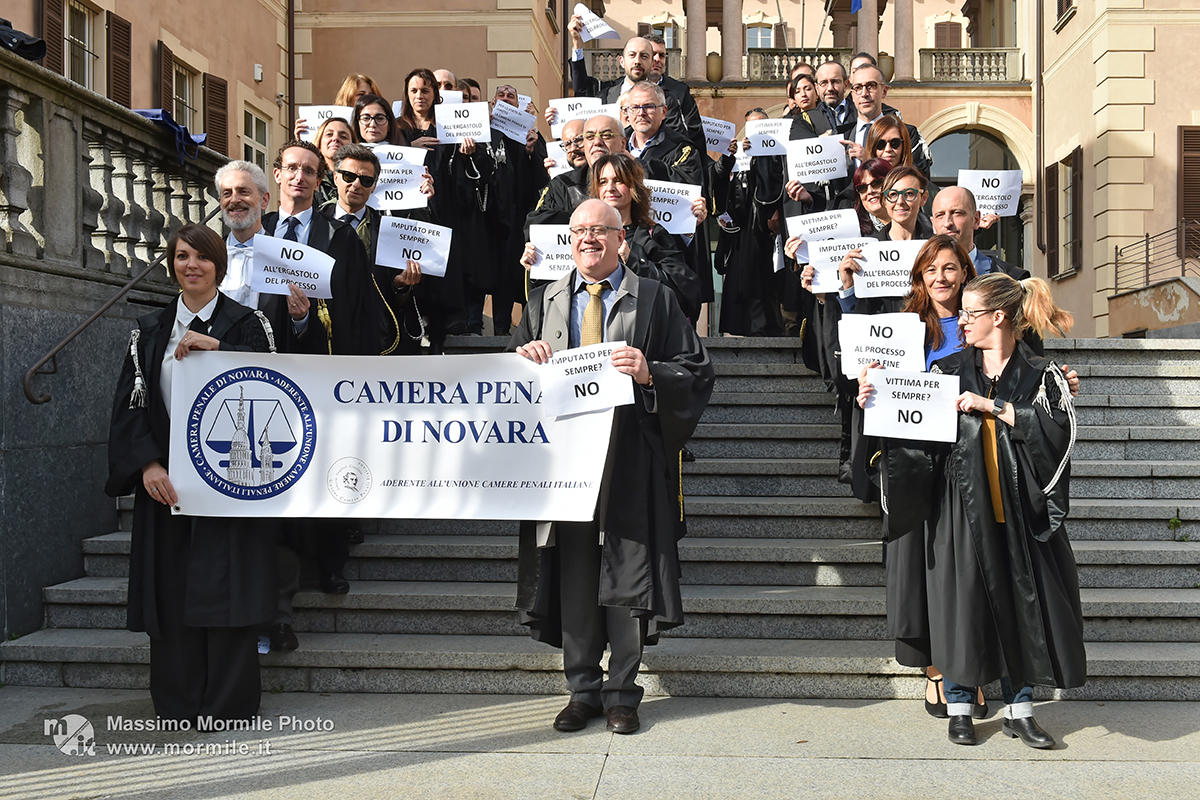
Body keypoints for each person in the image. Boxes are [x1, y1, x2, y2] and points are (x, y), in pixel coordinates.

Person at [508, 199, 714, 735]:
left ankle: (623, 691)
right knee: (573, 577)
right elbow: (508, 383)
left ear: (622, 238)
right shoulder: (544, 300)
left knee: (628, 576)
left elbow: (695, 370)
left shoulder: (654, 298)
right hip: (562, 466)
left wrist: (650, 374)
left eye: (600, 230)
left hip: (628, 462)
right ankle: (582, 690)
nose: (588, 240)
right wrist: (522, 359)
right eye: (579, 231)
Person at [858, 271, 1086, 749]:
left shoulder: (1042, 375)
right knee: (960, 607)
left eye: (970, 313)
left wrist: (997, 407)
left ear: (998, 317)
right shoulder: (945, 373)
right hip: (958, 511)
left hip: (1019, 515)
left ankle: (1019, 708)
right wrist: (873, 402)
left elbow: (1057, 435)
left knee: (1019, 607)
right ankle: (959, 706)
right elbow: (913, 439)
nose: (961, 321)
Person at [106, 223, 277, 723]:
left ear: (219, 266)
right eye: (182, 257)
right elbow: (129, 407)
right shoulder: (151, 329)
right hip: (169, 488)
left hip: (232, 485)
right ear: (171, 264)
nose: (192, 266)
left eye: (202, 257)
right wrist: (148, 464)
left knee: (230, 592)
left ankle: (228, 704)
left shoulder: (248, 324)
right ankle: (178, 704)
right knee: (172, 592)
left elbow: (283, 381)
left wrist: (219, 352)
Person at [322, 143, 429, 354]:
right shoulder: (315, 224)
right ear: (335, 177)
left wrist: (401, 285)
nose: (356, 184)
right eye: (348, 176)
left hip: (374, 336)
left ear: (374, 186)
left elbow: (394, 291)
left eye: (366, 180)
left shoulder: (390, 230)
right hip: (325, 332)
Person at [565, 18, 705, 158]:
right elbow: (582, 90)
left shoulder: (669, 99)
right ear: (622, 61)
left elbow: (682, 141)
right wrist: (577, 44)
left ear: (652, 63)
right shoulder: (606, 93)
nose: (637, 61)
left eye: (644, 56)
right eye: (632, 55)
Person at [714, 109, 786, 337]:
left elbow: (775, 185)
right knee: (741, 278)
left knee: (765, 279)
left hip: (766, 227)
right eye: (752, 127)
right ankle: (739, 327)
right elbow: (720, 184)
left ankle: (768, 327)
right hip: (740, 228)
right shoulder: (737, 156)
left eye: (761, 126)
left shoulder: (778, 154)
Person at [839, 65, 931, 177]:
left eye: (871, 86)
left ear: (884, 91)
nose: (864, 94)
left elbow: (919, 177)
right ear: (852, 95)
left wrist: (869, 160)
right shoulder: (840, 136)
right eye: (858, 88)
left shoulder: (907, 133)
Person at [931, 186, 1026, 279]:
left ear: (976, 219)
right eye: (940, 215)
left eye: (957, 213)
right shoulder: (919, 277)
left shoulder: (1009, 278)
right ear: (933, 224)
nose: (947, 223)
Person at [314, 116, 354, 205]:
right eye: (329, 134)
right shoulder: (310, 178)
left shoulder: (360, 180)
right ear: (319, 143)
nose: (335, 139)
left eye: (343, 136)